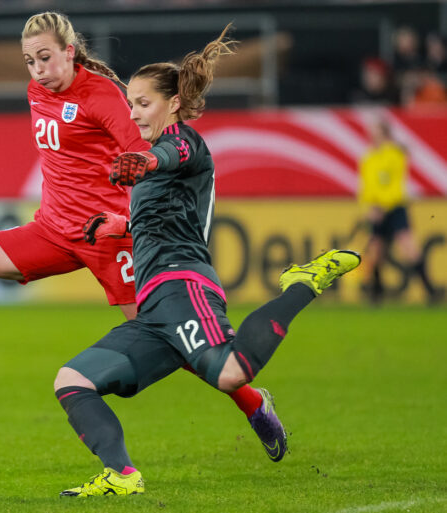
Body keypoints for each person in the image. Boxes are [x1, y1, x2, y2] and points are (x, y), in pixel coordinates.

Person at [0, 12, 276, 451]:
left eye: (45, 57)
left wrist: (135, 211)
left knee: (171, 335)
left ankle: (253, 403)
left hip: (107, 238)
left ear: (68, 52)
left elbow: (145, 151)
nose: (38, 70)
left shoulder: (102, 96)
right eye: (30, 61)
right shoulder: (36, 92)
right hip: (51, 231)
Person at [51, 25, 361, 497]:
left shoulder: (185, 144)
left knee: (230, 372)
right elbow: (162, 216)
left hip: (184, 285)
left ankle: (302, 282)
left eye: (143, 103)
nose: (133, 113)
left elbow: (171, 156)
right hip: (152, 308)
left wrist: (147, 164)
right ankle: (122, 475)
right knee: (72, 381)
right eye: (130, 103)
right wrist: (121, 225)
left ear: (172, 103)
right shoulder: (151, 161)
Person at [358, 117, 440, 303]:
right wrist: (369, 207)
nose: (372, 134)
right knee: (376, 251)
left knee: (409, 247)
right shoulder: (368, 157)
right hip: (376, 210)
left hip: (394, 207)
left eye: (376, 130)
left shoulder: (395, 154)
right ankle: (376, 293)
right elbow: (367, 186)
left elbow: (394, 184)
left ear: (385, 133)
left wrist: (382, 206)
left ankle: (430, 290)